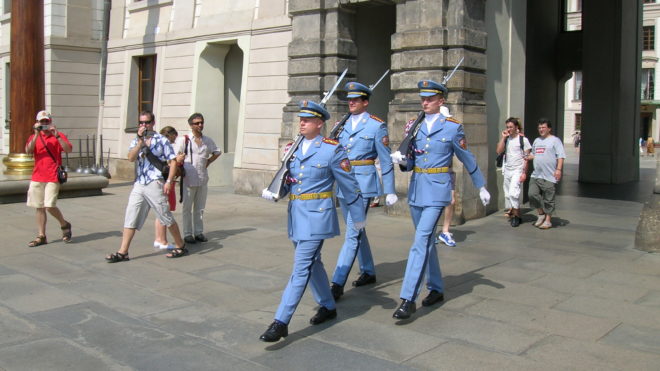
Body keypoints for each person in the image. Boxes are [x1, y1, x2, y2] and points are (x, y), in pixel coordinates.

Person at [259, 100, 366, 342]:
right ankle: (327, 306)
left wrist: (358, 220)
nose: (302, 123)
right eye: (301, 119)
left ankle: (280, 321)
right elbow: (289, 181)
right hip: (296, 216)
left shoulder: (332, 150)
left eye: (307, 120)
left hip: (318, 216)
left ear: (320, 123)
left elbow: (350, 187)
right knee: (313, 263)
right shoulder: (293, 148)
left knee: (300, 268)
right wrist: (277, 191)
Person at [389, 80, 491, 319]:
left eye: (430, 99)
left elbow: (467, 158)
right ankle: (435, 288)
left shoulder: (452, 128)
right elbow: (411, 161)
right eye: (423, 98)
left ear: (441, 100)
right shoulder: (415, 125)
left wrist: (481, 186)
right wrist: (402, 161)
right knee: (426, 243)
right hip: (416, 189)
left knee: (420, 241)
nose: (425, 102)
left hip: (437, 191)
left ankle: (407, 298)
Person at [329, 81, 397, 301]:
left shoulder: (376, 126)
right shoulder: (342, 125)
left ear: (365, 102)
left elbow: (385, 161)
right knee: (358, 230)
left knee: (352, 233)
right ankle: (367, 270)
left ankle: (337, 282)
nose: (351, 102)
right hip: (345, 183)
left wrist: (390, 189)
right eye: (349, 99)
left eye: (355, 100)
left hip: (364, 185)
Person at [105, 111, 187, 262]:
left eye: (147, 122)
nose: (144, 126)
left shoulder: (162, 140)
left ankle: (180, 245)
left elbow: (173, 161)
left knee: (165, 215)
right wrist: (140, 143)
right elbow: (130, 158)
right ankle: (123, 251)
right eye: (141, 123)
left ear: (153, 123)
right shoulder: (137, 140)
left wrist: (169, 181)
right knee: (131, 215)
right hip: (139, 183)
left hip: (155, 182)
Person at [24, 110, 73, 247]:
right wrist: (35, 134)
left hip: (52, 176)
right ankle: (41, 235)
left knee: (49, 205)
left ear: (50, 122)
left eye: (46, 121)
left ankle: (64, 224)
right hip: (37, 175)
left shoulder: (58, 136)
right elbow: (28, 151)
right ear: (37, 123)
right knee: (38, 207)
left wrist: (57, 136)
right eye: (42, 122)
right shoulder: (34, 136)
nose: (44, 124)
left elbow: (68, 149)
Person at [174, 113, 221, 244]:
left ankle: (199, 232)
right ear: (191, 125)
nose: (200, 125)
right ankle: (188, 233)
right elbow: (175, 156)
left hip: (202, 178)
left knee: (200, 207)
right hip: (188, 177)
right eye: (197, 123)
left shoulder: (207, 140)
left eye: (201, 122)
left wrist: (209, 161)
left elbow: (217, 151)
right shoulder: (184, 139)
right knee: (187, 208)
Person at [528, 118, 566, 230]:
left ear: (549, 128)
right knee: (532, 194)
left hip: (549, 175)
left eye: (543, 127)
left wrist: (558, 170)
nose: (541, 129)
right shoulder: (536, 140)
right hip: (536, 174)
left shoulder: (555, 140)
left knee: (549, 198)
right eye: (539, 128)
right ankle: (541, 214)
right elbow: (534, 154)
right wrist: (529, 156)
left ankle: (548, 220)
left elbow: (561, 156)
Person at [495, 117, 531, 227]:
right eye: (507, 127)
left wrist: (524, 172)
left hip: (518, 169)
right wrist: (503, 138)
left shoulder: (523, 140)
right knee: (508, 194)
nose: (509, 129)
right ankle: (517, 213)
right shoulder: (507, 139)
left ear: (516, 127)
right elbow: (499, 151)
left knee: (513, 193)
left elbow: (526, 157)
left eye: (511, 127)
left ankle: (515, 216)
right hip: (508, 169)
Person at [153, 126, 185, 250]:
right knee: (163, 210)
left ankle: (160, 238)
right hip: (164, 181)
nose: (174, 142)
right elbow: (164, 164)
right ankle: (161, 239)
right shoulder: (162, 146)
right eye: (173, 139)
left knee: (163, 210)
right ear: (169, 135)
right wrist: (177, 160)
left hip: (166, 181)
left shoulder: (161, 144)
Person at [436, 105, 456, 247]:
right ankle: (430, 231)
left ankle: (445, 230)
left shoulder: (450, 132)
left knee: (451, 201)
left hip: (447, 171)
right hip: (432, 174)